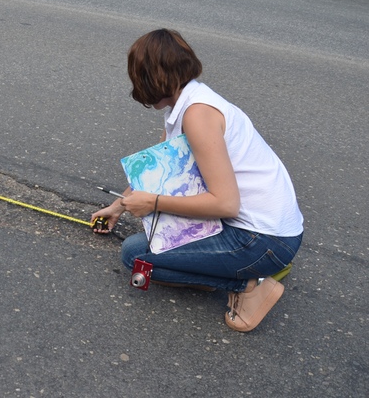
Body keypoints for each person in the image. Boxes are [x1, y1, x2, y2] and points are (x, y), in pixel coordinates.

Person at [92, 29, 304, 332]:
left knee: (135, 254)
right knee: (147, 241)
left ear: (151, 78)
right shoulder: (188, 102)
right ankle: (214, 270)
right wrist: (118, 206)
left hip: (263, 240)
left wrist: (152, 203)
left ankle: (250, 286)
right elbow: (159, 175)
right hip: (262, 231)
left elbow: (226, 204)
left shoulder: (198, 116)